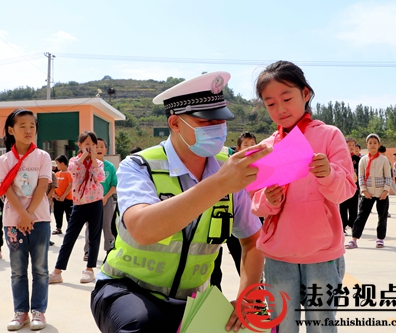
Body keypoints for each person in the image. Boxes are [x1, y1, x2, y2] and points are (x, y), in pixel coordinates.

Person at [90, 71, 270, 333]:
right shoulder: (140, 166)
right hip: (128, 289)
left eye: (221, 121)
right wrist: (218, 184)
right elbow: (143, 229)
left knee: (259, 324)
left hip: (193, 299)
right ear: (175, 123)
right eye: (207, 121)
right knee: (143, 326)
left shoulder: (227, 169)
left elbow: (253, 239)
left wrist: (247, 296)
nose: (219, 129)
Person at [250, 61, 355, 333]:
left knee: (321, 325)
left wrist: (327, 174)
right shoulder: (266, 148)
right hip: (278, 254)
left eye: (287, 98)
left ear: (305, 94)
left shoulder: (329, 136)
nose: (280, 109)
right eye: (270, 103)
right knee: (283, 324)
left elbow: (345, 190)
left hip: (321, 253)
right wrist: (268, 200)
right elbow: (256, 204)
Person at [0, 108, 51, 331]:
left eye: (32, 126)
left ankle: (38, 311)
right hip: (13, 222)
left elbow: (43, 186)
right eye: (22, 126)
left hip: (40, 219)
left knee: (40, 268)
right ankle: (21, 312)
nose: (28, 130)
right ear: (11, 130)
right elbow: (7, 191)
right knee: (18, 269)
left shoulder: (43, 157)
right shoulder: (4, 160)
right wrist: (23, 216)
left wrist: (29, 215)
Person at [49, 131, 105, 284]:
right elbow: (74, 170)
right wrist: (83, 157)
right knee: (69, 238)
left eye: (93, 145)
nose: (90, 147)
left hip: (95, 203)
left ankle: (89, 269)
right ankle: (57, 271)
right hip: (80, 204)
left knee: (94, 237)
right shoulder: (74, 160)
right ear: (79, 145)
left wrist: (93, 159)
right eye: (87, 144)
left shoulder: (99, 163)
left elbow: (100, 177)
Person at [210, 131, 256, 290]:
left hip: (243, 218)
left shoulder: (259, 165)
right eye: (246, 145)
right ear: (237, 148)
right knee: (212, 262)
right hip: (216, 218)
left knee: (242, 257)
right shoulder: (227, 163)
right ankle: (214, 302)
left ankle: (253, 300)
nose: (249, 148)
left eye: (252, 145)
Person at [345, 133, 391, 250]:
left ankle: (380, 238)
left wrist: (385, 191)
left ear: (379, 144)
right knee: (361, 216)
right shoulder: (363, 160)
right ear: (367, 144)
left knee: (382, 217)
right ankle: (354, 239)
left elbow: (388, 177)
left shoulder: (384, 160)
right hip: (368, 193)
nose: (372, 145)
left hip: (381, 193)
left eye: (375, 143)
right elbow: (360, 177)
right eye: (370, 143)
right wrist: (364, 190)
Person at [83, 138, 117, 259]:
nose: (99, 149)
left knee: (107, 225)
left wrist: (106, 197)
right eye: (96, 147)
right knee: (90, 226)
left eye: (101, 147)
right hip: (91, 201)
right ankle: (88, 251)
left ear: (106, 149)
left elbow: (114, 184)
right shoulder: (88, 165)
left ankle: (110, 248)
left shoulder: (110, 167)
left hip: (106, 200)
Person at [340, 138, 360, 235]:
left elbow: (360, 174)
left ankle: (353, 226)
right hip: (343, 186)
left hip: (354, 187)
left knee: (353, 207)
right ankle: (342, 227)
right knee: (343, 207)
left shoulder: (358, 159)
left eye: (353, 145)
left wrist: (359, 186)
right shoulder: (341, 158)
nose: (351, 147)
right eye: (349, 145)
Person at [52, 155, 73, 235]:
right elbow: (53, 185)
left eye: (57, 163)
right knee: (57, 213)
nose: (57, 165)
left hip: (67, 198)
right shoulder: (56, 174)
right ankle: (58, 228)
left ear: (63, 163)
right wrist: (55, 195)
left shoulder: (69, 173)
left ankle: (70, 229)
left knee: (69, 214)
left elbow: (70, 185)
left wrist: (64, 195)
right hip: (57, 199)